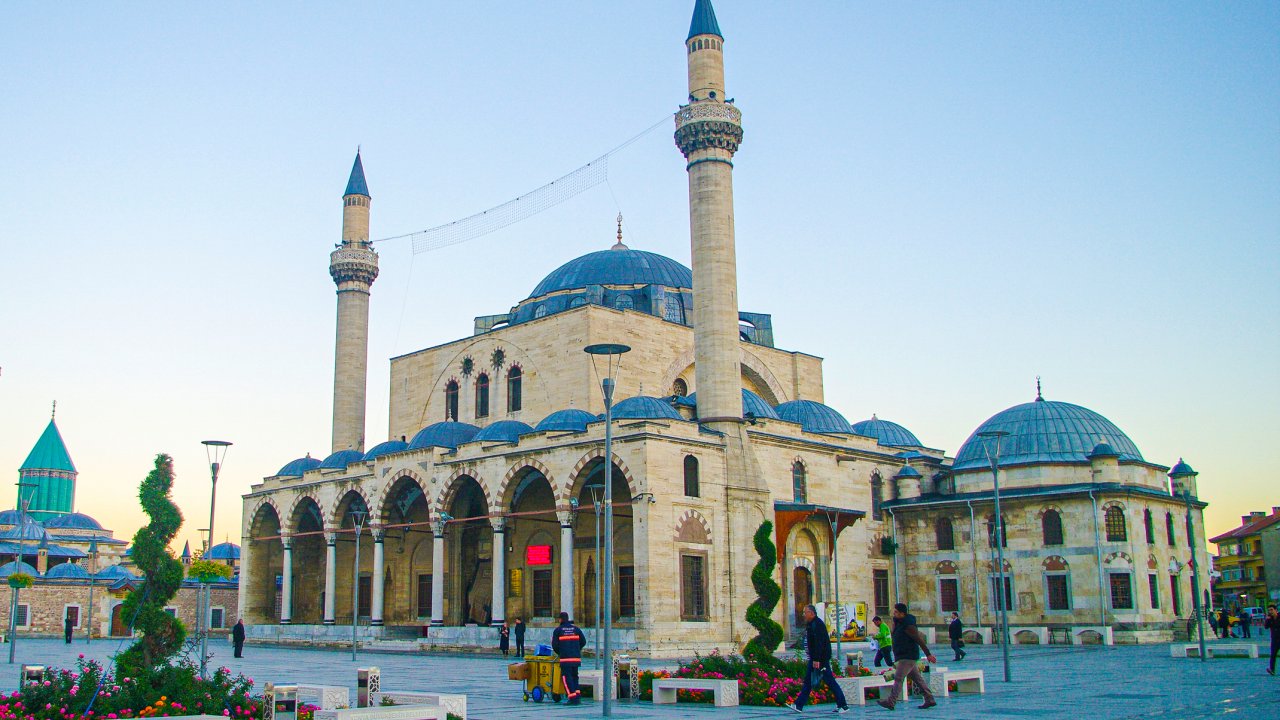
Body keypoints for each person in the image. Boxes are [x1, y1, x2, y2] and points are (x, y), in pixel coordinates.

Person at [786, 605, 850, 713]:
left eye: (805, 612)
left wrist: (816, 660)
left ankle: (843, 706)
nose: (803, 615)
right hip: (816, 659)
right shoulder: (812, 624)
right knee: (809, 682)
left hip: (820, 660)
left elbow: (819, 644)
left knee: (829, 681)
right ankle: (798, 705)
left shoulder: (817, 624)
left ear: (811, 613)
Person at [878, 603, 937, 711]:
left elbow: (919, 640)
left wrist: (928, 654)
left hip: (908, 656)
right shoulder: (899, 623)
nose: (893, 614)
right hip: (903, 655)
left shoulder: (908, 625)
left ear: (902, 613)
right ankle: (930, 699)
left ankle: (891, 701)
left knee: (898, 678)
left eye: (896, 612)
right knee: (918, 679)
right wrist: (895, 622)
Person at [550, 612, 584, 705]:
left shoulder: (558, 630)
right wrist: (576, 649)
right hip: (576, 658)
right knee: (575, 677)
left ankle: (572, 697)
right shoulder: (576, 629)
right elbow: (583, 641)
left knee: (566, 677)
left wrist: (561, 652)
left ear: (560, 619)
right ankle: (577, 697)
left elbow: (555, 645)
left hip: (565, 659)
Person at [1264, 605, 1279, 676]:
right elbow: (1266, 627)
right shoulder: (1270, 619)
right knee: (1273, 655)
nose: (1270, 611)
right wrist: (1267, 619)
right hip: (1275, 640)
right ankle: (1272, 670)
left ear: (1276, 610)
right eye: (1269, 610)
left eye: (1271, 610)